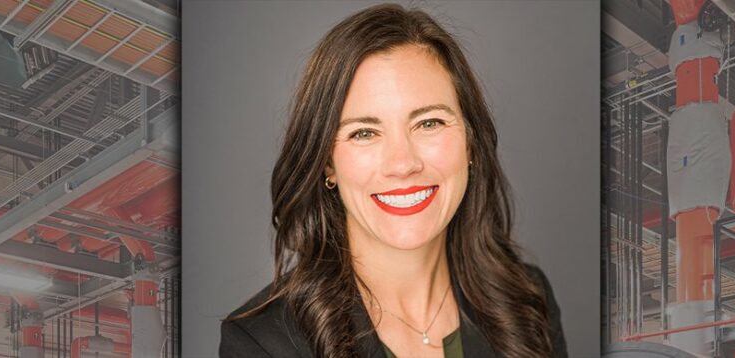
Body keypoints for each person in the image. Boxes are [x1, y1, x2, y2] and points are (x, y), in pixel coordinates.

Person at [219, 4, 567, 357]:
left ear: (470, 143)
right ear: (328, 165)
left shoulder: (526, 300)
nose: (402, 164)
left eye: (429, 123)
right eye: (364, 133)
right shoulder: (263, 343)